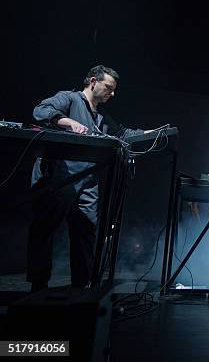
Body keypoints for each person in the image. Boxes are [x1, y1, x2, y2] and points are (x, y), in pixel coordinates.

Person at [27, 65, 149, 292]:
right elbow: (41, 110)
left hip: (87, 181)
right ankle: (38, 284)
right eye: (108, 88)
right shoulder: (69, 98)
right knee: (45, 228)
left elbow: (122, 134)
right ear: (93, 81)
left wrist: (152, 134)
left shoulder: (101, 117)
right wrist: (67, 122)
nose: (112, 94)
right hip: (60, 178)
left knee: (86, 232)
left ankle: (81, 285)